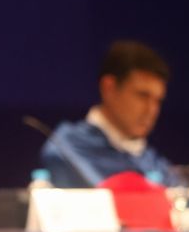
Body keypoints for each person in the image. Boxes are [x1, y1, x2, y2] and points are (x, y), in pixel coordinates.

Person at [41, 40, 178, 187]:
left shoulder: (153, 161)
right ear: (109, 88)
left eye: (158, 101)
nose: (151, 110)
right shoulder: (67, 150)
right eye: (142, 96)